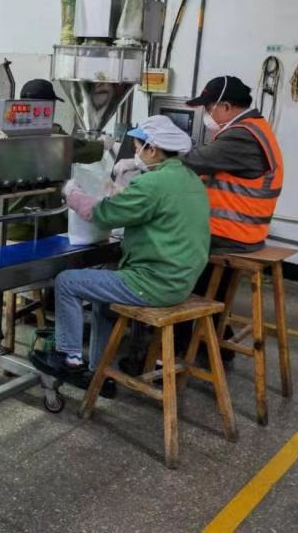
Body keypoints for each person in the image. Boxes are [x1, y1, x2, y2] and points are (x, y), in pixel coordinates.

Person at [30, 115, 211, 394]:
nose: (136, 154)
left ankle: (68, 358)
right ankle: (98, 369)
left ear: (153, 149)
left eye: (138, 147)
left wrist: (71, 193)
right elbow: (159, 209)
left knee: (66, 282)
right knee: (104, 295)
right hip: (183, 280)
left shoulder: (152, 184)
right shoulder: (190, 180)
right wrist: (123, 194)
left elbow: (103, 215)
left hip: (154, 285)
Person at [175, 75, 285, 356]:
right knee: (212, 286)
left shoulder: (242, 136)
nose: (206, 114)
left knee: (171, 262)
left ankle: (175, 349)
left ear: (225, 106)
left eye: (208, 107)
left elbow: (194, 161)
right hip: (243, 231)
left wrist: (145, 161)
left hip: (230, 235)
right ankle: (215, 337)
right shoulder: (254, 128)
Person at [0, 79, 107, 241]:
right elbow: (80, 150)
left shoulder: (0, 128)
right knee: (69, 229)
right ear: (48, 106)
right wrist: (104, 145)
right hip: (21, 225)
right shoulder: (50, 134)